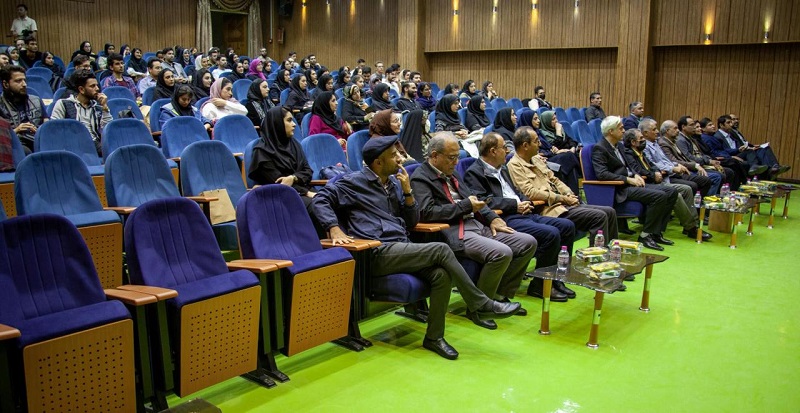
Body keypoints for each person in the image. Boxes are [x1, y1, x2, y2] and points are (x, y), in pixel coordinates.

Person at [312, 135, 521, 359]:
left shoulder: (394, 183)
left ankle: (434, 338)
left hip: (401, 246)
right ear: (378, 162)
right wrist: (334, 228)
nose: (400, 159)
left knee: (441, 275)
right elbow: (319, 200)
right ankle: (480, 303)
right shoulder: (353, 182)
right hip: (375, 251)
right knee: (440, 249)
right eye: (394, 155)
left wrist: (408, 193)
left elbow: (412, 222)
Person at [410, 133, 537, 330]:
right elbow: (427, 213)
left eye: (457, 157)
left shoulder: (452, 173)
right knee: (501, 252)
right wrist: (464, 207)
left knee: (527, 242)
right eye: (451, 157)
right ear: (434, 156)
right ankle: (478, 309)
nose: (456, 162)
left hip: (477, 225)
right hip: (453, 231)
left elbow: (474, 199)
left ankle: (498, 296)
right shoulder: (420, 178)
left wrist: (492, 218)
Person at [464, 132, 578, 302]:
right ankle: (540, 285)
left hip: (523, 213)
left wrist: (525, 202)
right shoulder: (474, 172)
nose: (507, 151)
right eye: (504, 147)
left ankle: (556, 279)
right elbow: (483, 201)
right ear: (493, 151)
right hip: (505, 218)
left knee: (567, 226)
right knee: (551, 233)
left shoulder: (502, 169)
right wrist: (514, 205)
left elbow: (517, 192)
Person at [508, 126, 618, 246]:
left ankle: (610, 251)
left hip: (563, 204)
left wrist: (568, 193)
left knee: (610, 211)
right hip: (549, 209)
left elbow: (555, 180)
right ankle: (597, 255)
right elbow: (530, 193)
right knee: (599, 216)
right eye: (536, 141)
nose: (540, 144)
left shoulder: (536, 159)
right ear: (525, 145)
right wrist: (563, 198)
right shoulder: (514, 165)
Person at [590, 116, 677, 251]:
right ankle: (645, 235)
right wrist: (627, 179)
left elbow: (629, 166)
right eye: (621, 128)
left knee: (672, 191)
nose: (624, 131)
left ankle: (656, 232)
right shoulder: (599, 148)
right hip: (619, 188)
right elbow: (602, 174)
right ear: (611, 131)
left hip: (631, 183)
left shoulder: (619, 145)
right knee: (659, 196)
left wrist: (635, 174)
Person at [622, 128, 711, 241]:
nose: (644, 141)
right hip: (647, 183)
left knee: (687, 189)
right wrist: (653, 175)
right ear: (633, 142)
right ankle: (691, 227)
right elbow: (637, 170)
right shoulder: (629, 153)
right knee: (676, 195)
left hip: (657, 181)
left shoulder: (641, 152)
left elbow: (652, 165)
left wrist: (656, 172)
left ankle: (692, 224)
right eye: (641, 138)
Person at [248, 106, 317, 210]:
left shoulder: (294, 144)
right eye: (289, 120)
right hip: (279, 198)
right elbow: (280, 183)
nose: (294, 124)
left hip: (302, 191)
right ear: (277, 123)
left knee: (334, 201)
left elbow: (308, 171)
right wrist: (307, 192)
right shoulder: (262, 152)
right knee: (319, 206)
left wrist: (293, 178)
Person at [641, 119, 712, 196]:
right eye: (654, 129)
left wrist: (676, 164)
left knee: (705, 179)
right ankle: (697, 202)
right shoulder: (650, 145)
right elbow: (652, 164)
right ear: (646, 133)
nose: (657, 132)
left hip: (675, 171)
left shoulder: (656, 143)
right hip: (666, 175)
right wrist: (673, 168)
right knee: (694, 185)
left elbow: (667, 160)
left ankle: (698, 201)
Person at [50, 69, 112, 155]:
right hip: (72, 146)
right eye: (92, 86)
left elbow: (107, 132)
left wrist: (105, 108)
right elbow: (54, 130)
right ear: (81, 89)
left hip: (94, 145)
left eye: (97, 85)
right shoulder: (63, 104)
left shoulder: (97, 107)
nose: (97, 89)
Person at [657, 119, 722, 195]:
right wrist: (695, 165)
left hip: (687, 168)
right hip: (677, 172)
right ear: (667, 131)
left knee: (717, 175)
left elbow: (688, 157)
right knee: (710, 178)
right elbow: (673, 161)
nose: (678, 130)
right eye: (675, 128)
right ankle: (701, 201)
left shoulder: (673, 141)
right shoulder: (664, 143)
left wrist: (698, 164)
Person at [676, 116, 739, 190]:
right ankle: (710, 196)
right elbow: (688, 157)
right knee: (719, 176)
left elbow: (701, 154)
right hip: (693, 167)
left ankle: (724, 193)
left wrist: (710, 160)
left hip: (701, 163)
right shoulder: (681, 140)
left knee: (728, 171)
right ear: (683, 127)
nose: (694, 127)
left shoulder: (691, 138)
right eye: (692, 125)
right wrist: (708, 161)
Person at [0, 65, 47, 153]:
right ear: (6, 84)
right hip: (14, 144)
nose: (24, 84)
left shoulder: (36, 100)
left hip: (37, 139)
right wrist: (16, 130)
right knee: (25, 151)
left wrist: (39, 130)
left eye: (24, 80)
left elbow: (47, 124)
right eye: (18, 81)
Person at [704, 115, 770, 177]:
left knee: (759, 150)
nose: (731, 124)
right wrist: (731, 156)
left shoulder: (731, 133)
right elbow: (716, 152)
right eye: (728, 122)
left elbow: (734, 145)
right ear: (721, 125)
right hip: (727, 157)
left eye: (731, 122)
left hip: (733, 153)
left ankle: (766, 169)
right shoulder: (717, 136)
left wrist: (740, 149)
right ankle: (756, 171)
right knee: (749, 157)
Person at [728, 113, 790, 178]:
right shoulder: (730, 132)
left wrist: (753, 146)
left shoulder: (737, 132)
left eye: (737, 119)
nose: (736, 121)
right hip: (741, 152)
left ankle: (775, 167)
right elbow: (738, 146)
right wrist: (750, 148)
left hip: (746, 150)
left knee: (765, 148)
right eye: (734, 119)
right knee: (762, 150)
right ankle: (773, 169)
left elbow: (744, 143)